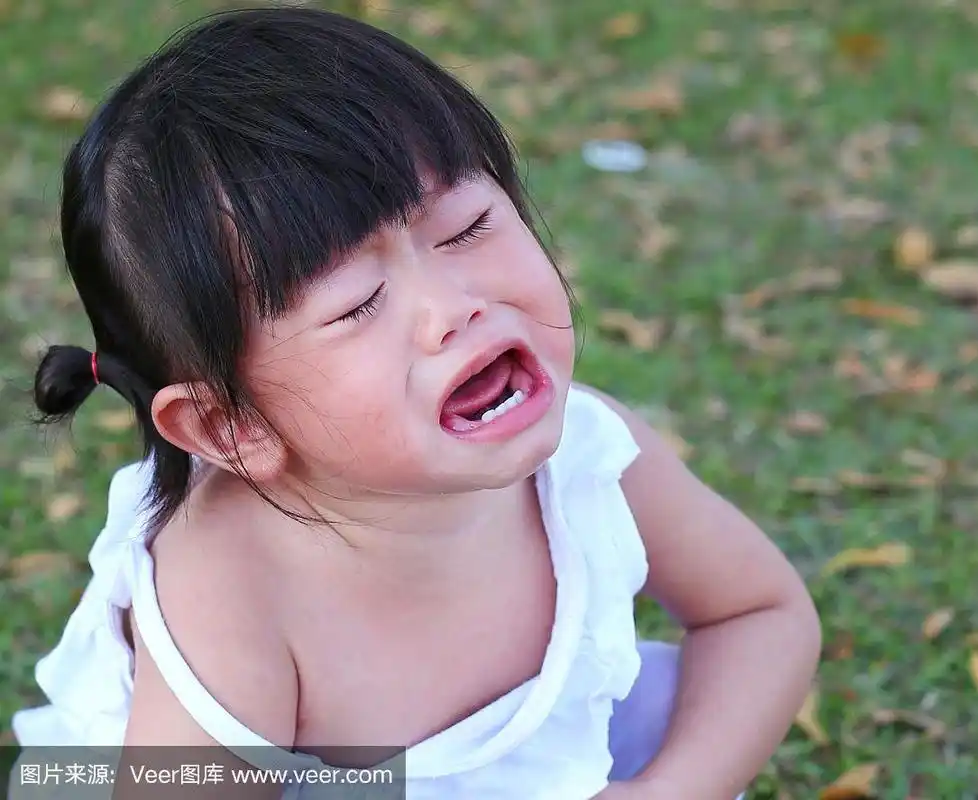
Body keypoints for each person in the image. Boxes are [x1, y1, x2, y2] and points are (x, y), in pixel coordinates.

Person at [10, 6, 821, 799]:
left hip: (509, 768)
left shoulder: (592, 455)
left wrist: (673, 788)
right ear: (233, 426)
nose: (453, 308)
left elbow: (758, 614)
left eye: (467, 228)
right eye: (358, 304)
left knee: (673, 698)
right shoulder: (234, 589)